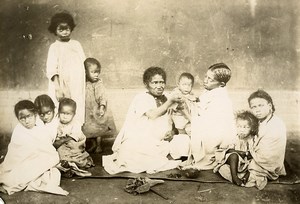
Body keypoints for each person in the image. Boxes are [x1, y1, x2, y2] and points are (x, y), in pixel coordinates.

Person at [103, 67, 184, 174]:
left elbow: (174, 123)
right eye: (155, 83)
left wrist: (172, 133)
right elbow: (152, 115)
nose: (159, 86)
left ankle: (163, 157)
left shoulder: (168, 98)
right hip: (142, 139)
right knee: (132, 150)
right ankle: (161, 159)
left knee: (184, 141)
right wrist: (170, 102)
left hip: (162, 141)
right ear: (146, 84)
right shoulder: (141, 98)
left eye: (162, 82)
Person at [0, 100, 68, 195]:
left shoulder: (39, 126)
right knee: (15, 177)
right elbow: (16, 154)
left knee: (53, 170)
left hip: (37, 159)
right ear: (18, 119)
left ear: (35, 114)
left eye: (29, 116)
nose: (27, 121)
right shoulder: (19, 130)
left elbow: (46, 145)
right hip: (22, 162)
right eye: (22, 118)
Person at [184, 63, 236, 170]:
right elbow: (202, 106)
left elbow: (207, 121)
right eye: (206, 77)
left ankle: (203, 158)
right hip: (209, 128)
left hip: (216, 135)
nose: (206, 80)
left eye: (210, 79)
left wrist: (187, 110)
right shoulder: (210, 91)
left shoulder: (221, 99)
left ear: (221, 84)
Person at [47, 11, 86, 125]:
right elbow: (52, 69)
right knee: (62, 107)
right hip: (62, 85)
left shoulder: (76, 44)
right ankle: (60, 135)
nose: (65, 32)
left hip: (77, 85)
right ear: (55, 30)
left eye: (67, 29)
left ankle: (76, 134)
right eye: (61, 29)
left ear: (71, 29)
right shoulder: (54, 47)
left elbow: (84, 62)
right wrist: (58, 88)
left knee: (77, 106)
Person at [243, 90, 286, 190]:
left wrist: (247, 152)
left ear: (270, 105)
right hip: (257, 155)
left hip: (266, 164)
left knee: (229, 162)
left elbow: (266, 155)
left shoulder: (276, 124)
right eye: (254, 107)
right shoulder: (260, 121)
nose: (257, 110)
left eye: (261, 105)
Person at [213, 111, 259, 186]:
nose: (242, 130)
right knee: (233, 156)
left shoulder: (253, 139)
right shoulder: (234, 138)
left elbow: (255, 152)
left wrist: (249, 154)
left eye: (246, 127)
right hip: (234, 163)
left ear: (252, 128)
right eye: (239, 126)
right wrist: (240, 152)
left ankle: (245, 177)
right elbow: (227, 151)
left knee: (255, 163)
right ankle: (235, 177)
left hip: (246, 164)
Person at [82, 58, 117, 153]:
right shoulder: (82, 83)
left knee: (99, 128)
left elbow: (102, 96)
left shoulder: (98, 83)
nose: (96, 75)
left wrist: (102, 107)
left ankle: (98, 145)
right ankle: (88, 144)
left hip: (96, 109)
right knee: (88, 127)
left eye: (97, 72)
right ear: (85, 72)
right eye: (93, 72)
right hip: (87, 110)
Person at [54, 98, 94, 176]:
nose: (65, 116)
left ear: (73, 114)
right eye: (62, 113)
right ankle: (67, 163)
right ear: (58, 112)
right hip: (61, 144)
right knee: (59, 151)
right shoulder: (56, 121)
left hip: (72, 142)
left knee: (75, 151)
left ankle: (71, 163)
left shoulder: (75, 123)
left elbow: (75, 136)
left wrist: (64, 139)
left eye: (68, 114)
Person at [167, 72, 199, 160]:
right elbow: (175, 105)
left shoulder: (192, 96)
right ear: (178, 84)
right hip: (178, 116)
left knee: (192, 129)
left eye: (189, 85)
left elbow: (193, 105)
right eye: (184, 84)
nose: (187, 87)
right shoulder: (176, 94)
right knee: (186, 129)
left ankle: (193, 150)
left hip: (187, 117)